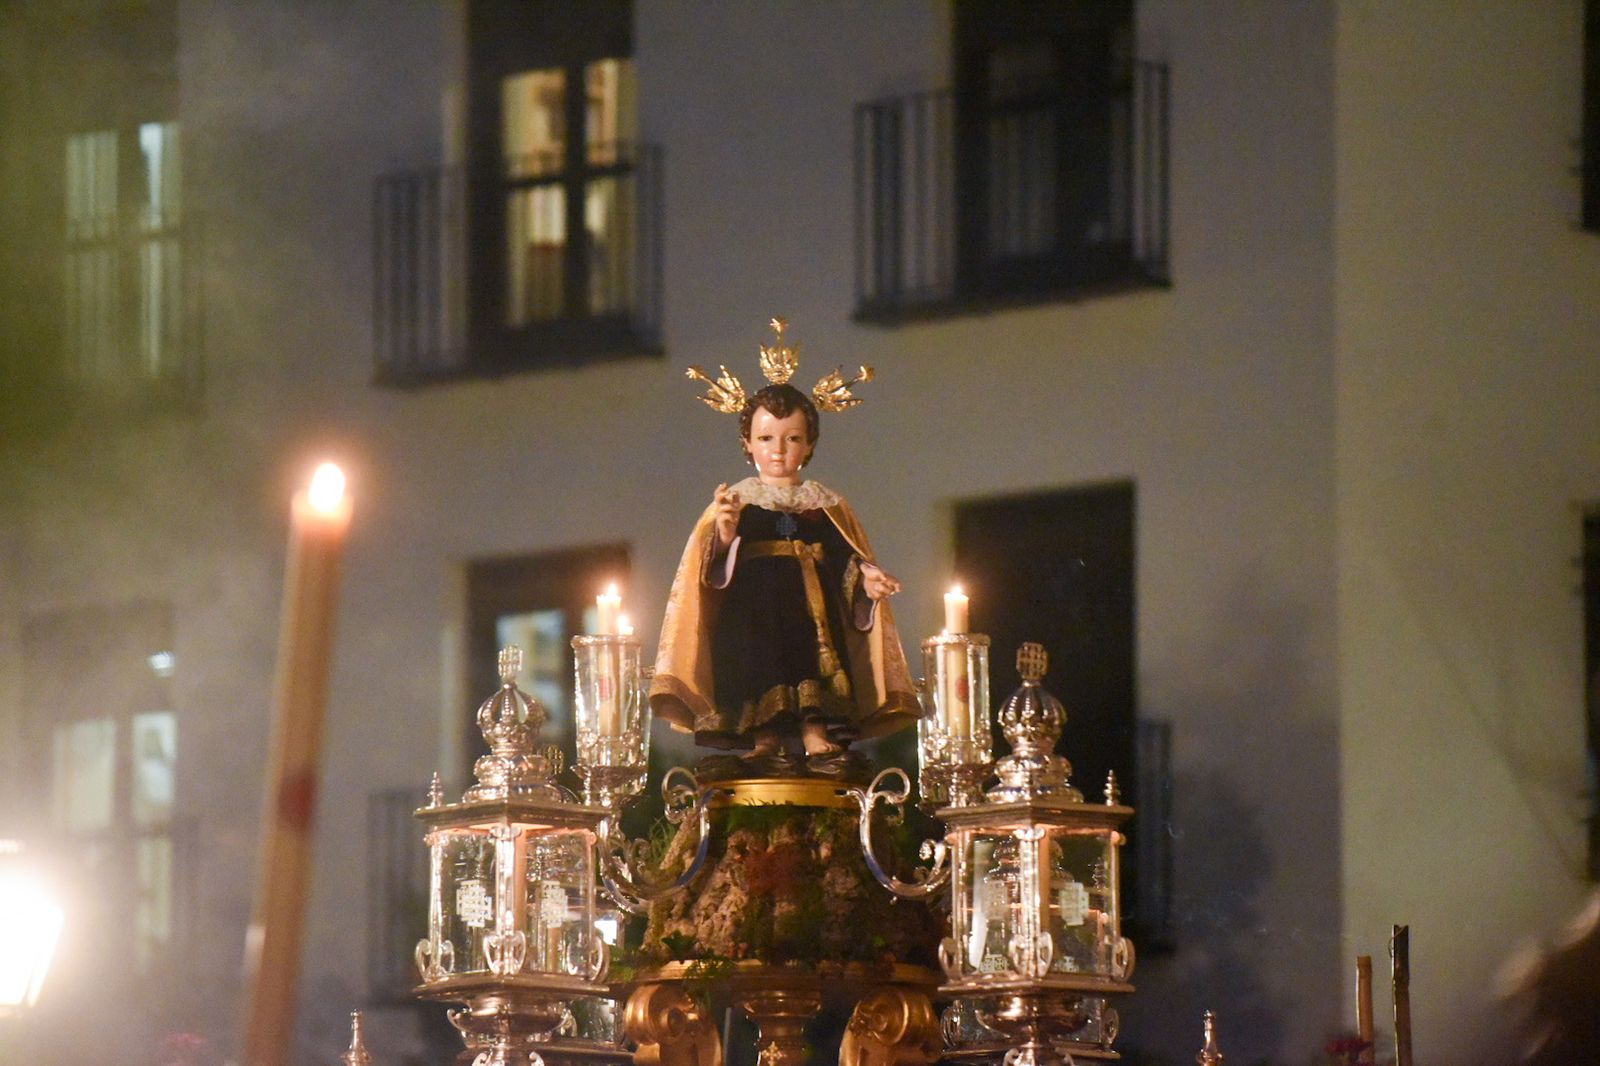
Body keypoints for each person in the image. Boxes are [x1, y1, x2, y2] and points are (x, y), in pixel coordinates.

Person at [651, 374, 921, 777]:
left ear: (809, 443)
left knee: (808, 663)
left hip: (811, 604)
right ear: (747, 443)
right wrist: (724, 534)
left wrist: (866, 578)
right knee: (759, 665)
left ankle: (815, 733)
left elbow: (845, 553)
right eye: (765, 439)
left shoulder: (825, 503)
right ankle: (765, 739)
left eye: (791, 438)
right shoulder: (738, 501)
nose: (778, 450)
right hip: (753, 606)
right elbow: (705, 572)